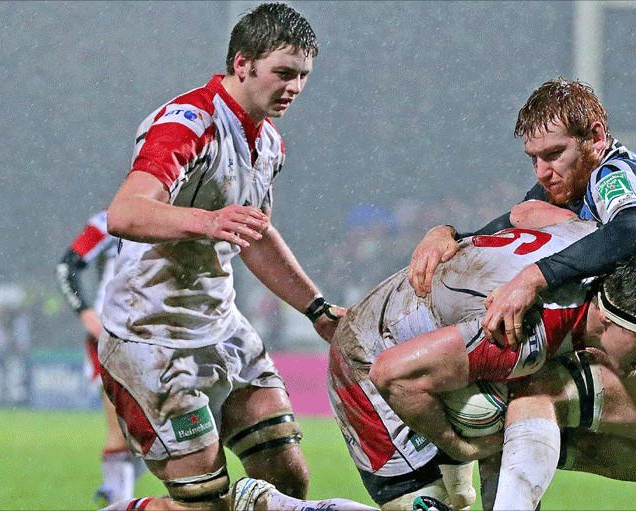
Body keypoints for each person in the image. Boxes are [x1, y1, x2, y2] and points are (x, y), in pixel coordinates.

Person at [407, 78, 636, 508]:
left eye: (554, 154)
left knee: (536, 392)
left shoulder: (614, 171)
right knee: (511, 427)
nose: (543, 170)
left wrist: (533, 279)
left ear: (596, 137)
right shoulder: (563, 192)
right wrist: (449, 235)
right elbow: (507, 233)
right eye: (534, 159)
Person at [96, 4, 371, 511]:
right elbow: (125, 211)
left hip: (223, 331)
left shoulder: (268, 141)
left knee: (287, 481)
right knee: (208, 506)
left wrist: (317, 310)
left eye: (303, 76)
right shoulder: (188, 123)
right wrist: (206, 221)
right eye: (283, 73)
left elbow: (256, 236)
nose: (294, 88)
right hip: (152, 341)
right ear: (242, 64)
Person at [329, 203, 596, 510]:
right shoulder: (529, 326)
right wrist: (458, 446)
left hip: (439, 350)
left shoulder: (582, 232)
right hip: (367, 356)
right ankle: (277, 503)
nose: (546, 172)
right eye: (538, 159)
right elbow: (387, 373)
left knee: (464, 493)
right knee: (431, 500)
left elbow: (526, 211)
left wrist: (449, 232)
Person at [56, 210, 147, 506]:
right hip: (111, 337)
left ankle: (114, 489)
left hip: (159, 337)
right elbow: (66, 266)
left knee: (152, 431)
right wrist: (85, 312)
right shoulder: (112, 221)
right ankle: (119, 497)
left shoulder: (180, 219)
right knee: (121, 429)